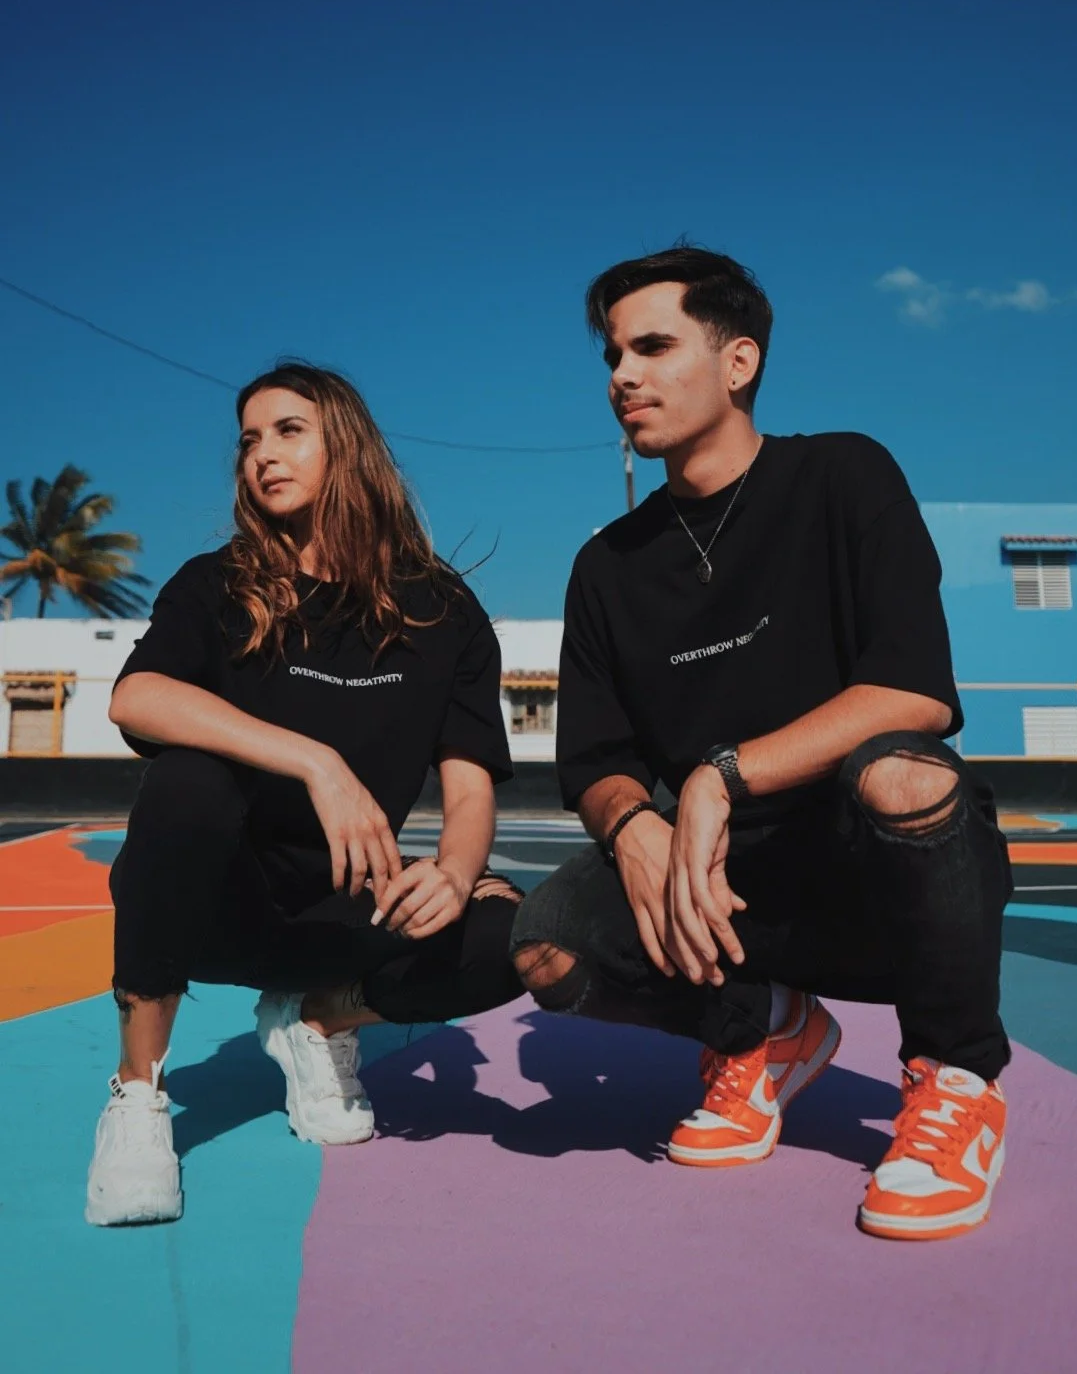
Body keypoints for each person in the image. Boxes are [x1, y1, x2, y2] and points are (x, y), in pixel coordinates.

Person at [511, 246, 1012, 1241]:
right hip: (730, 901)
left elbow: (913, 688)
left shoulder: (842, 474)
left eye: (654, 346)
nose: (624, 375)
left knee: (901, 770)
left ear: (738, 361)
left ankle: (957, 1080)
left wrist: (719, 776)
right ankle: (764, 1032)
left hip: (879, 881)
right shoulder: (606, 568)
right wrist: (634, 828)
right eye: (613, 354)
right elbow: (595, 763)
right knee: (545, 943)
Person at [87, 362, 522, 1227]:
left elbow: (469, 781)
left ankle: (321, 1020)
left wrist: (455, 869)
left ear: (347, 447)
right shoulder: (217, 585)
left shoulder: (443, 609)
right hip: (216, 902)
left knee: (528, 930)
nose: (261, 455)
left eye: (289, 431)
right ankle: (139, 1096)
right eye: (250, 439)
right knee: (187, 779)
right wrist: (316, 761)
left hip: (345, 909)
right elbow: (136, 698)